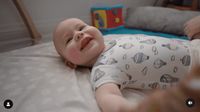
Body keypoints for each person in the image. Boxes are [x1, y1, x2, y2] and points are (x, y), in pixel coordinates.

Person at [53, 18, 200, 112]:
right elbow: (108, 96)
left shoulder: (114, 39)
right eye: (68, 40)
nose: (78, 34)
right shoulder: (103, 69)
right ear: (70, 63)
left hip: (193, 45)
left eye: (81, 27)